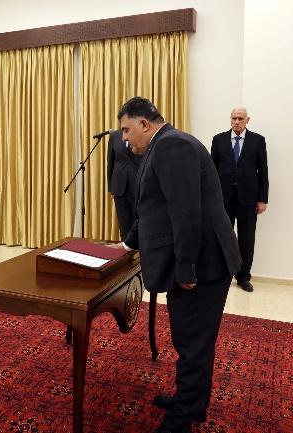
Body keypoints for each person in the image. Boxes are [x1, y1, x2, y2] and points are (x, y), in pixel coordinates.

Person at [109, 97, 241, 433]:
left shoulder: (170, 147)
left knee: (192, 344)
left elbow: (186, 215)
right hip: (205, 261)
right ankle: (193, 404)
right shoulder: (165, 145)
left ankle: (181, 420)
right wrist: (126, 244)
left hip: (204, 266)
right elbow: (151, 208)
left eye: (126, 129)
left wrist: (187, 271)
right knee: (196, 341)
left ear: (144, 124)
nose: (124, 138)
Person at [211, 108, 268, 292]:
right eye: (234, 118)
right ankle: (222, 273)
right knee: (223, 237)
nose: (237, 121)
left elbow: (263, 171)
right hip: (223, 197)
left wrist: (262, 199)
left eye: (240, 118)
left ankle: (243, 277)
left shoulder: (258, 140)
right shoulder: (218, 139)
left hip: (248, 198)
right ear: (230, 119)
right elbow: (212, 170)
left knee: (246, 239)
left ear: (247, 120)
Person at [106, 129, 142, 240]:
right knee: (124, 224)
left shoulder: (140, 133)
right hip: (119, 186)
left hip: (138, 184)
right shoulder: (115, 135)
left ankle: (139, 253)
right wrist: (111, 187)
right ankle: (126, 253)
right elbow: (110, 161)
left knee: (138, 223)